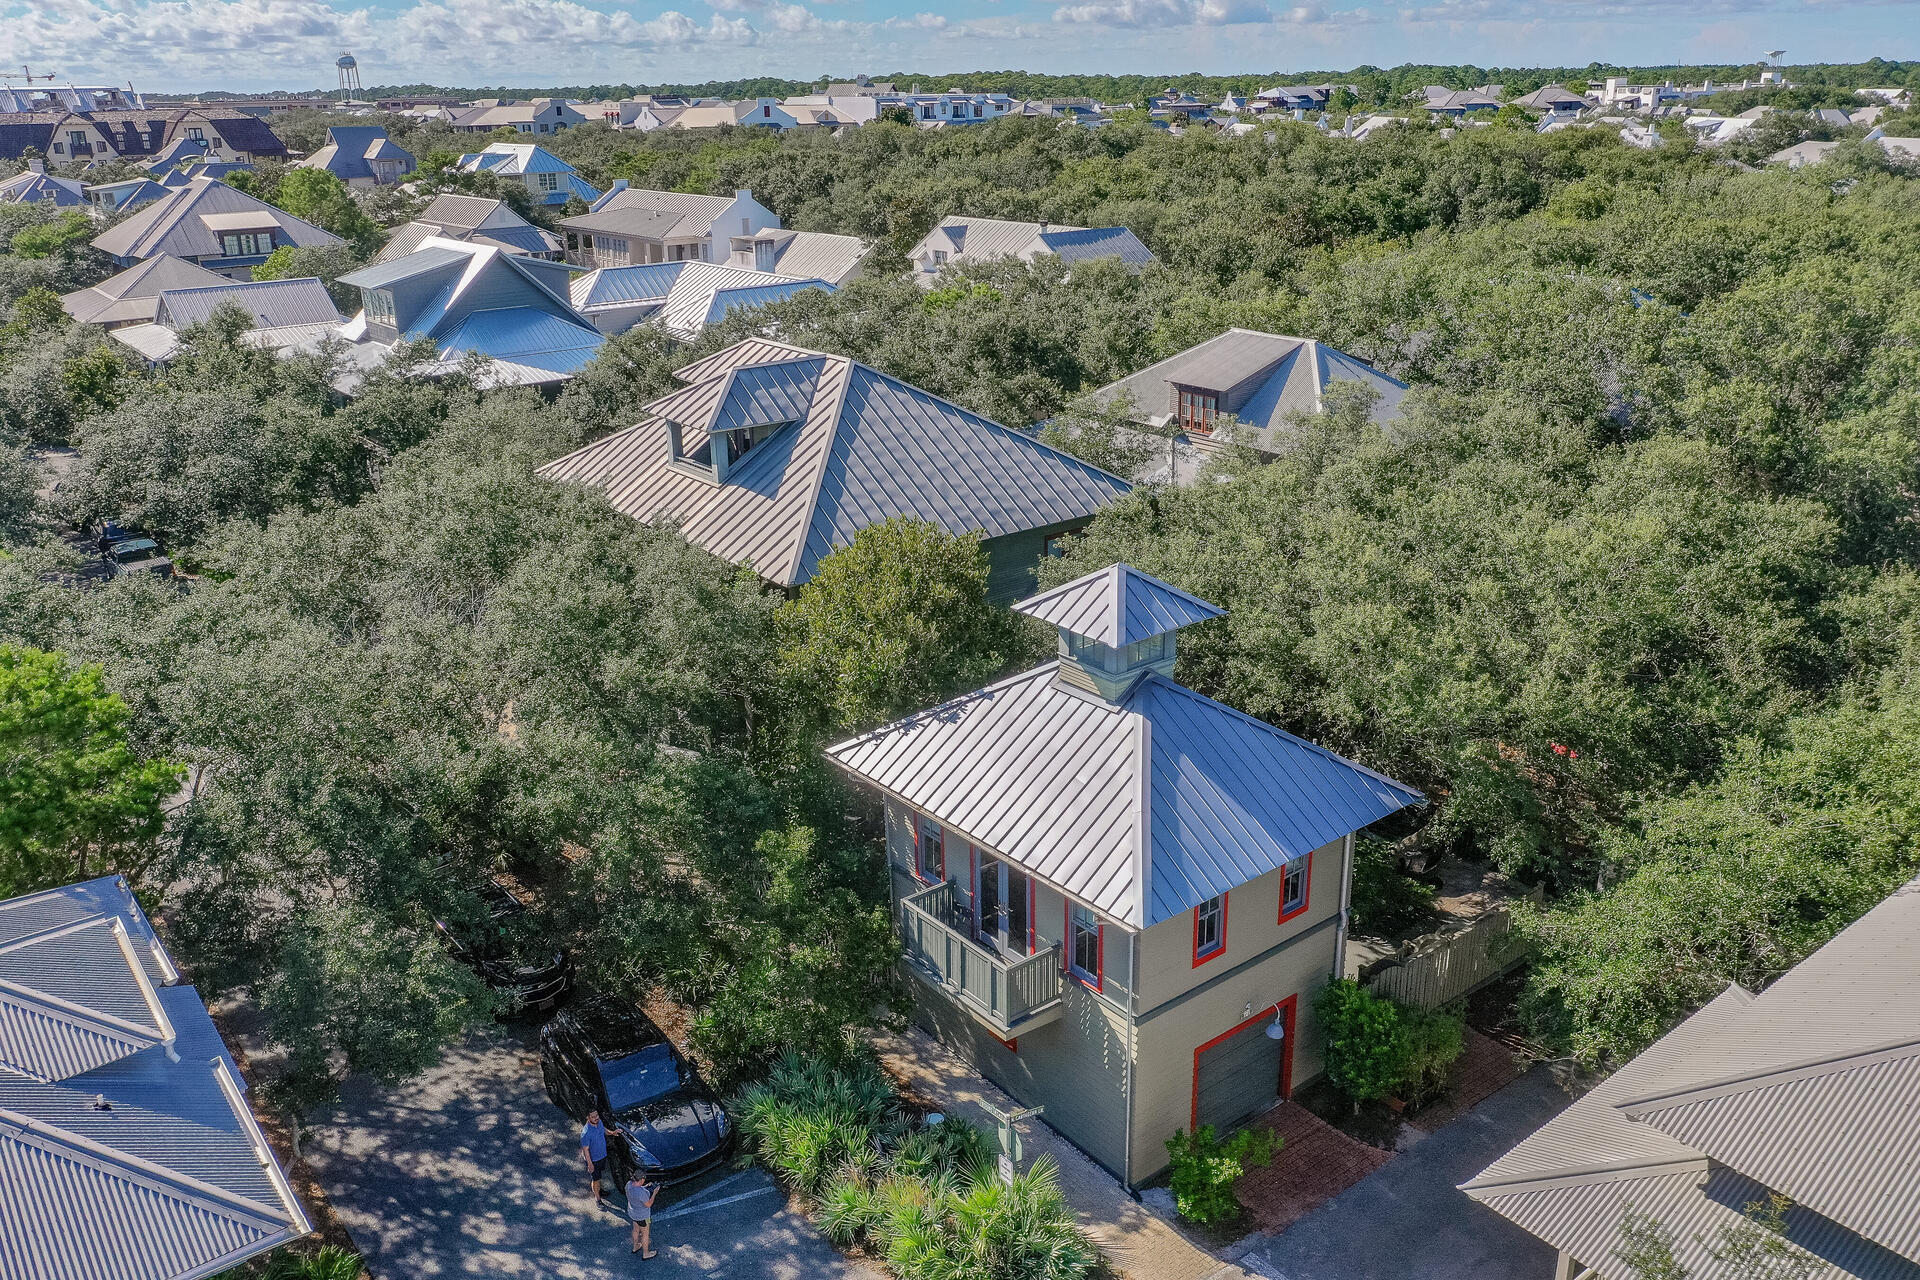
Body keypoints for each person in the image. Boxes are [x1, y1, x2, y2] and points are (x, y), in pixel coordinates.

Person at [581, 1110, 610, 1207]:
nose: (596, 1118)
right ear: (588, 1118)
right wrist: (590, 1164)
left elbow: (603, 1129)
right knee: (596, 1180)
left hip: (602, 1156)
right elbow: (586, 1150)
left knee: (599, 1177)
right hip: (594, 1160)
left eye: (597, 1115)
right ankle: (598, 1199)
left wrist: (612, 1132)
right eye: (593, 1117)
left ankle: (600, 1190)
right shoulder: (586, 1133)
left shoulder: (599, 1122)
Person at [627, 1171, 659, 1258]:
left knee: (636, 1229)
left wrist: (645, 1187)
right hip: (643, 1216)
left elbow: (638, 1188)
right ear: (641, 1179)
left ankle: (635, 1246)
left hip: (632, 1213)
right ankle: (646, 1253)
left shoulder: (629, 1184)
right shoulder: (641, 1193)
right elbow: (648, 1204)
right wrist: (654, 1193)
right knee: (645, 1233)